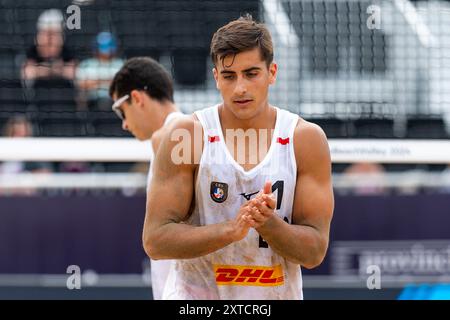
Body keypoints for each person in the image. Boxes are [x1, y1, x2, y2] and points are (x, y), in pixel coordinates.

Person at [143, 15, 334, 299]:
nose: (240, 88)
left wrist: (269, 225)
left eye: (251, 73)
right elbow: (155, 241)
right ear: (216, 77)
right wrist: (230, 230)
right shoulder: (187, 134)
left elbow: (314, 251)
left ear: (272, 73)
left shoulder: (305, 139)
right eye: (229, 76)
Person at [109, 57, 182, 300]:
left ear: (137, 98)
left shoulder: (180, 137)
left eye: (121, 111)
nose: (125, 124)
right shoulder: (172, 139)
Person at [22, 9, 76, 82]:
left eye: (54, 34)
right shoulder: (33, 51)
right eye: (46, 33)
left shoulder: (66, 51)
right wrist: (52, 69)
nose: (50, 39)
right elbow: (27, 73)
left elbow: (73, 73)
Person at [77, 32, 124, 110]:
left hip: (115, 103)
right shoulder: (87, 64)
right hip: (92, 103)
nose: (105, 52)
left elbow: (123, 84)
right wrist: (107, 81)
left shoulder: (120, 64)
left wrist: (96, 82)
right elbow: (82, 85)